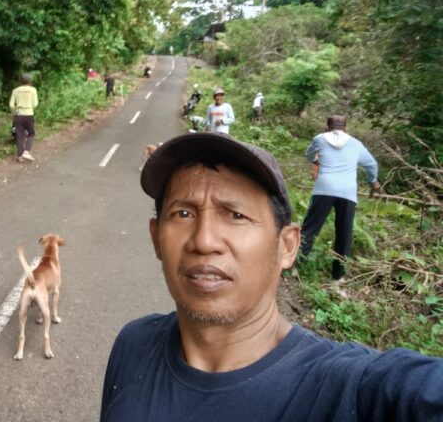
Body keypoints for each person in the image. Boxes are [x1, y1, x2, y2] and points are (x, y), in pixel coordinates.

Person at [100, 132, 443, 421]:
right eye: (184, 212)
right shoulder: (134, 343)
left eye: (235, 215)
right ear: (156, 237)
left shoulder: (349, 389)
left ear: (287, 246)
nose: (204, 241)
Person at [299, 115, 380, 280]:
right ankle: (338, 278)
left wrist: (316, 159)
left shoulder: (320, 139)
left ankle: (294, 266)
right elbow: (372, 164)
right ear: (346, 128)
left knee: (310, 228)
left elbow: (309, 155)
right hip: (347, 192)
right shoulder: (356, 144)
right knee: (344, 233)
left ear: (327, 127)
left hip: (324, 188)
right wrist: (372, 180)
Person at [9, 73, 38, 162]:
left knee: (19, 135)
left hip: (19, 115)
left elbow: (11, 104)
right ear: (29, 81)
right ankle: (26, 151)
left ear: (21, 81)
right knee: (31, 134)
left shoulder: (15, 90)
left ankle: (20, 156)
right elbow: (35, 104)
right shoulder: (33, 90)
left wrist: (14, 112)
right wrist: (30, 109)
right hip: (29, 114)